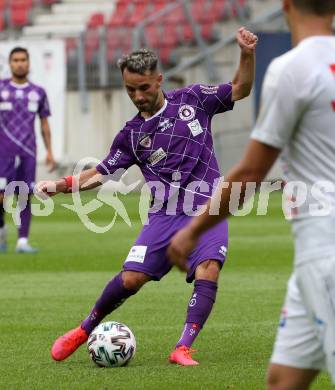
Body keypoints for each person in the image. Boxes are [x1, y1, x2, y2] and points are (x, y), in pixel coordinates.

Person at [38, 27, 258, 366]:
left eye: (143, 87)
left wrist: (246, 53)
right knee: (131, 279)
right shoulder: (131, 135)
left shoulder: (194, 99)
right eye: (130, 90)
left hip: (207, 208)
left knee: (209, 267)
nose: (138, 96)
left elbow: (241, 88)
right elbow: (101, 173)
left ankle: (182, 347)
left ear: (158, 79)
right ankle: (84, 330)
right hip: (165, 214)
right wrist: (62, 184)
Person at [168, 0, 335, 386]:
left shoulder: (292, 69)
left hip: (325, 253)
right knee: (282, 379)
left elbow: (251, 173)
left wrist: (192, 231)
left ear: (287, 6)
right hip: (311, 263)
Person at [0, 47, 56, 254]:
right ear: (10, 63)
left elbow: (44, 123)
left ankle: (22, 241)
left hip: (27, 152)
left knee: (24, 195)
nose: (20, 63)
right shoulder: (1, 89)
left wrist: (49, 151)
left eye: (23, 59)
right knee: (0, 196)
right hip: (3, 151)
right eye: (16, 60)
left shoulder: (38, 92)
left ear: (29, 63)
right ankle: (2, 227)